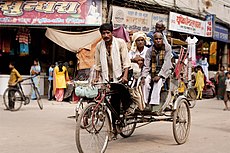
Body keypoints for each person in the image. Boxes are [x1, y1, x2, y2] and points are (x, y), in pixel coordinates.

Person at [94, 23, 132, 138]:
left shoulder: (120, 43)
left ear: (112, 33)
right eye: (103, 33)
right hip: (109, 75)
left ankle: (128, 108)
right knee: (112, 103)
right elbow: (98, 65)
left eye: (107, 32)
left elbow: (126, 61)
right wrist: (96, 77)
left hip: (123, 72)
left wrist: (124, 76)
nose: (105, 35)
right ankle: (115, 127)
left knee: (121, 90)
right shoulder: (99, 46)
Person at [141, 32, 172, 105]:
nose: (158, 40)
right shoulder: (149, 50)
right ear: (153, 40)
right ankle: (145, 103)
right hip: (152, 71)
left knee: (158, 82)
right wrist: (144, 76)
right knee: (145, 82)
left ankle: (153, 103)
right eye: (156, 39)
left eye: (160, 39)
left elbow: (167, 63)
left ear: (162, 39)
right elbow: (147, 65)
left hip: (164, 71)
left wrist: (160, 75)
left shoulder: (167, 48)